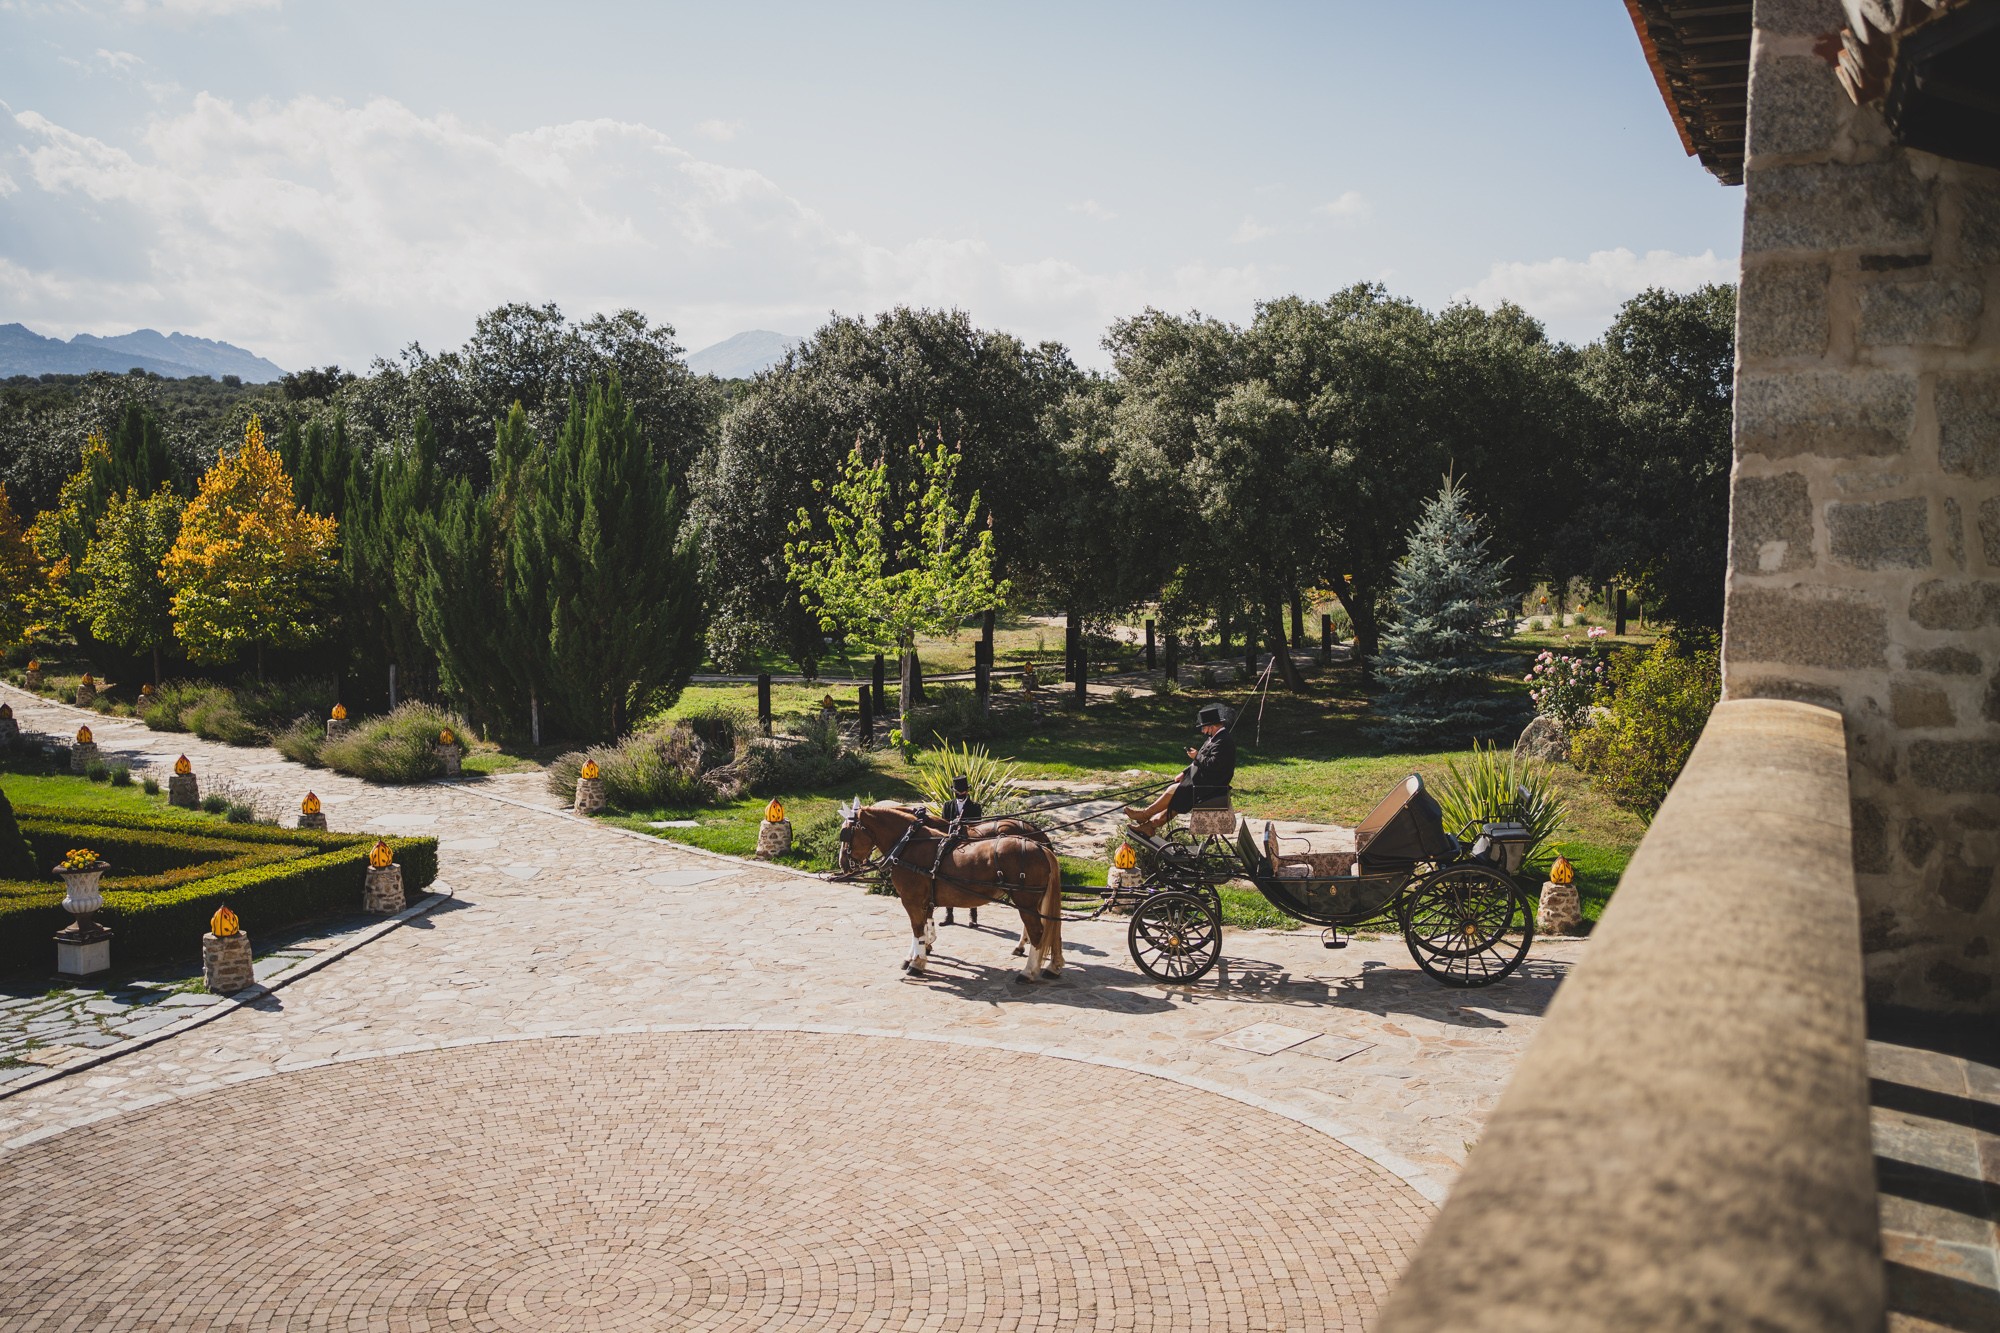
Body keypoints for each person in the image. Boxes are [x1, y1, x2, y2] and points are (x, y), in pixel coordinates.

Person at [1125, 704, 1236, 837]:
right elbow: (1200, 760)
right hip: (1202, 781)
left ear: (1212, 726)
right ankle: (1149, 825)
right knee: (1176, 799)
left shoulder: (1223, 741)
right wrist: (1184, 772)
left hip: (1211, 785)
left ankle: (1145, 815)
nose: (1203, 731)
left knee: (1174, 791)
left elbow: (1214, 764)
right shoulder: (1214, 738)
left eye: (1204, 727)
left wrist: (1197, 756)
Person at [939, 775, 982, 926]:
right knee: (946, 876)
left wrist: (963, 826)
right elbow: (943, 825)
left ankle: (973, 916)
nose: (961, 794)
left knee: (972, 877)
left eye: (963, 791)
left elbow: (977, 827)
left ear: (967, 791)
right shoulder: (947, 806)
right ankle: (949, 914)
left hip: (969, 844)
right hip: (951, 845)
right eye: (958, 792)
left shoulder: (975, 807)